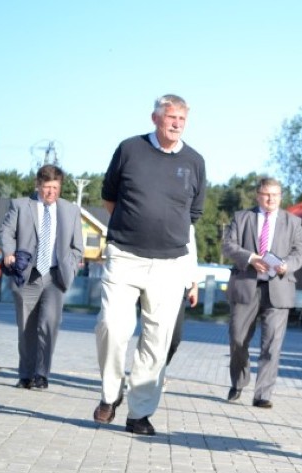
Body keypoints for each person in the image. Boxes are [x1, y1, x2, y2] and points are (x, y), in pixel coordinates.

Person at [92, 94, 206, 436]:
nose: (176, 124)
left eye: (182, 119)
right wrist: (134, 227)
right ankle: (110, 394)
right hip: (125, 255)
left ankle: (139, 413)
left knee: (157, 339)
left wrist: (190, 272)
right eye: (171, 117)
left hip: (171, 262)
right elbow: (109, 197)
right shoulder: (129, 149)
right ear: (155, 118)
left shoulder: (195, 161)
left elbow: (193, 217)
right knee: (112, 326)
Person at [223, 177, 302, 408]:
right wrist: (251, 258)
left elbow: (301, 253)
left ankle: (263, 395)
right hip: (246, 286)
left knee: (271, 345)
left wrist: (286, 264)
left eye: (276, 194)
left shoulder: (293, 222)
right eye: (266, 194)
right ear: (257, 195)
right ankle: (238, 382)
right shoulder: (242, 218)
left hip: (278, 288)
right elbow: (228, 245)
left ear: (281, 196)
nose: (271, 199)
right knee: (238, 340)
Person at [0, 164, 84, 390]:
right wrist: (8, 252)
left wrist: (71, 268)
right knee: (27, 327)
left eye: (55, 188)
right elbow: (6, 231)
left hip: (56, 277)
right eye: (47, 188)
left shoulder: (71, 210)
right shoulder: (20, 205)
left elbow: (77, 247)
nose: (51, 193)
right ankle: (25, 374)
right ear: (38, 185)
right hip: (27, 275)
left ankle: (41, 374)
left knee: (49, 325)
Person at [162, 224, 200, 392]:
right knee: (154, 333)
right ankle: (150, 374)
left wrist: (194, 284)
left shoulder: (187, 224)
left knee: (175, 338)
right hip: (155, 280)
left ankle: (159, 368)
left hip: (180, 285)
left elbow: (192, 255)